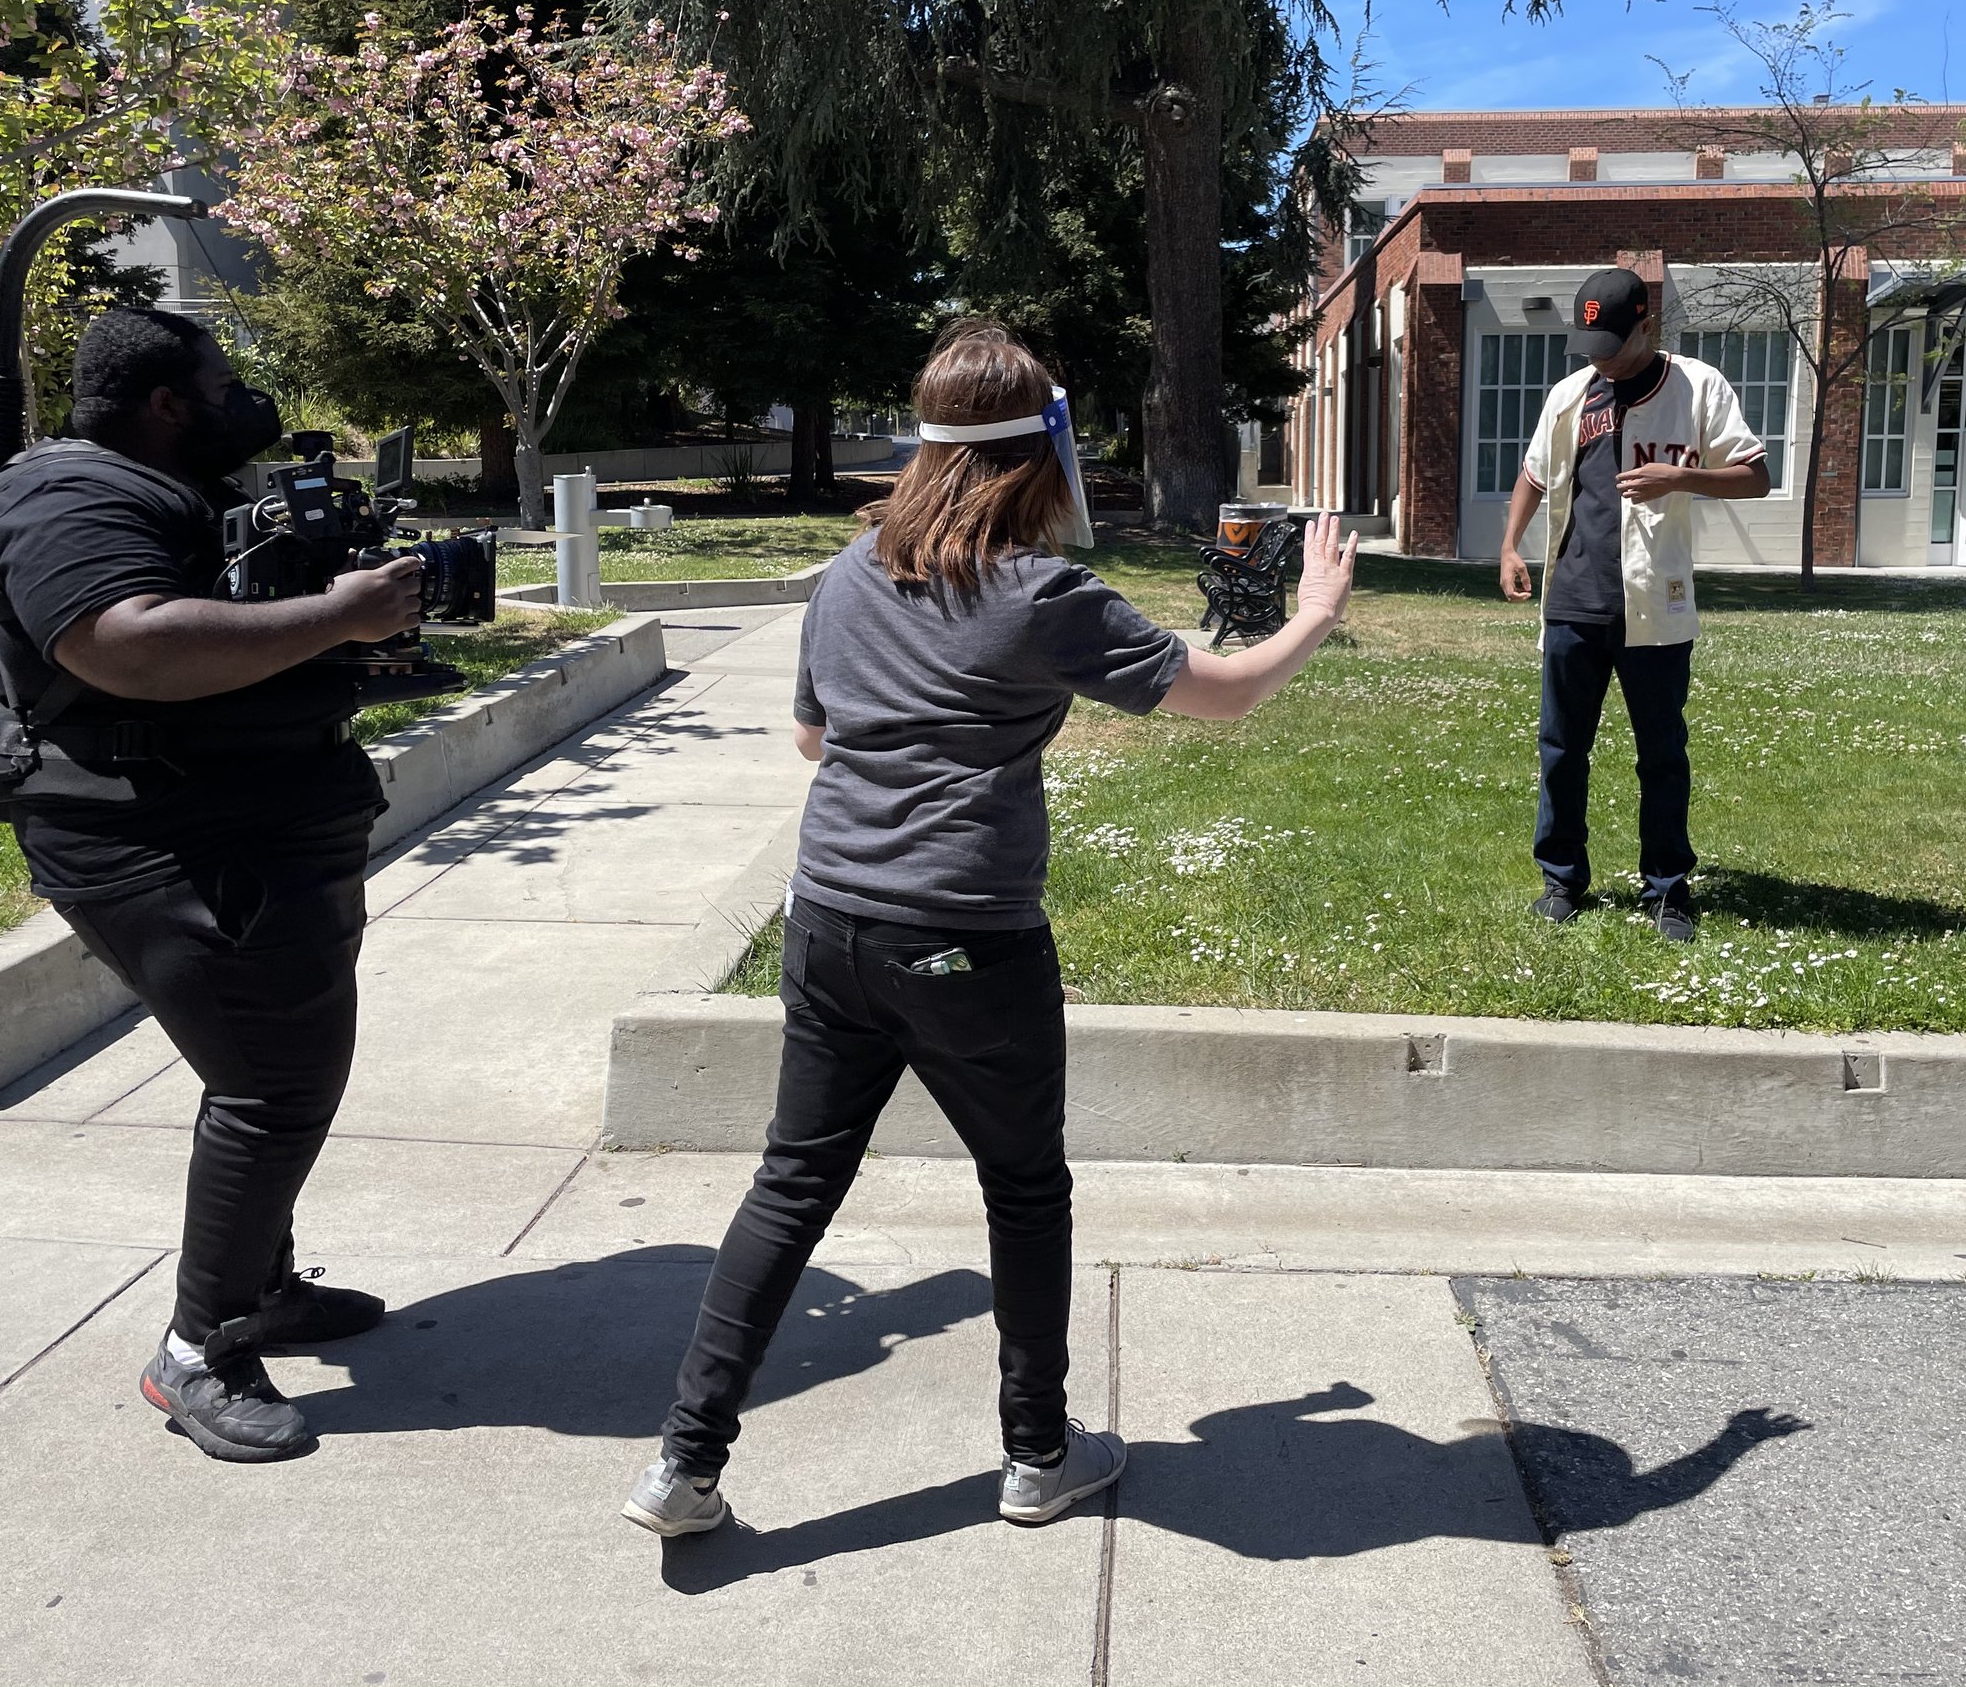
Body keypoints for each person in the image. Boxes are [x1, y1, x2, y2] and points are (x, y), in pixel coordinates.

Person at [624, 321, 1359, 1539]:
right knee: (1022, 1188)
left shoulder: (851, 572)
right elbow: (1223, 698)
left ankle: (682, 1468)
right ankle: (1037, 1456)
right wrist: (1317, 611)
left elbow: (815, 740)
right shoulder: (1042, 594)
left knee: (791, 1182)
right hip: (965, 938)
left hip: (828, 922)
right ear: (1042, 453)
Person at [0, 306, 423, 1461]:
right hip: (165, 842)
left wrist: (336, 640)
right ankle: (197, 1349)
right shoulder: (70, 495)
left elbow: (222, 620)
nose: (242, 400)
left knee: (278, 1072)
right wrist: (337, 616)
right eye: (223, 384)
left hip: (253, 825)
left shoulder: (164, 487)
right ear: (168, 401)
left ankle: (258, 1283)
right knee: (271, 1085)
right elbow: (128, 643)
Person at [1498, 267, 1771, 944]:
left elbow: (1757, 476)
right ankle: (1561, 879)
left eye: (1612, 341)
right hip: (1573, 602)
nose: (1600, 355)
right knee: (1561, 749)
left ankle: (1668, 889)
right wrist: (1509, 547)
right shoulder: (1571, 395)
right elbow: (1533, 472)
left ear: (1648, 323)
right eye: (1589, 340)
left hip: (1656, 606)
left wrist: (1683, 476)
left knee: (1662, 755)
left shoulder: (1698, 386)